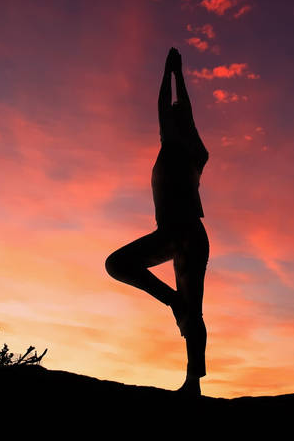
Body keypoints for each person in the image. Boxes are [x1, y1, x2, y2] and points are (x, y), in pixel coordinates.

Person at [105, 47, 210, 397]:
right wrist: (175, 75)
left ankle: (193, 382)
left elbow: (170, 108)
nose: (168, 118)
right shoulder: (190, 151)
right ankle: (174, 303)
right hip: (177, 234)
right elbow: (175, 112)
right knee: (118, 264)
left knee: (192, 306)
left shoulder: (182, 148)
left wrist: (173, 75)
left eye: (173, 118)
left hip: (186, 233)